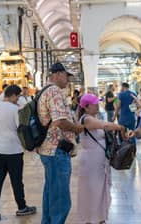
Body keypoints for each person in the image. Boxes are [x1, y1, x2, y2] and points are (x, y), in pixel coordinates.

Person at [37, 62, 84, 224]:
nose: (68, 80)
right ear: (56, 74)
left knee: (51, 192)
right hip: (57, 150)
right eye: (66, 75)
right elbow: (60, 122)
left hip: (48, 150)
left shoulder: (44, 91)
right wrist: (78, 129)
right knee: (61, 199)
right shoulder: (54, 91)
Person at [0, 85, 37, 223]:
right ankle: (22, 207)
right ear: (13, 95)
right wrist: (29, 146)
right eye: (18, 97)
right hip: (13, 150)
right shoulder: (16, 110)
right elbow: (21, 130)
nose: (18, 99)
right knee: (16, 181)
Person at [77, 93, 124, 224]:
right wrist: (119, 126)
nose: (97, 106)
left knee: (99, 189)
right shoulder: (87, 119)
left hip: (98, 161)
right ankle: (92, 218)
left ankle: (99, 218)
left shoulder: (92, 117)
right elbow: (106, 125)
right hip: (91, 162)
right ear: (86, 107)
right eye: (94, 104)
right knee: (93, 190)